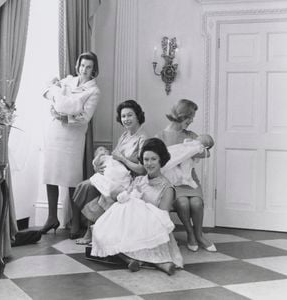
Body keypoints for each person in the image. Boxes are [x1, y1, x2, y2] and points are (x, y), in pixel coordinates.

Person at [91, 138, 183, 276]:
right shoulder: (139, 180)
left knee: (124, 239)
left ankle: (156, 262)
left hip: (153, 229)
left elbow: (162, 220)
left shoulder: (167, 188)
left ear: (161, 160)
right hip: (133, 225)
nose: (149, 163)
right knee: (100, 232)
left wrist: (139, 206)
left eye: (153, 159)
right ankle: (131, 260)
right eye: (146, 159)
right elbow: (125, 203)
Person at [71, 99, 147, 243]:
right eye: (123, 116)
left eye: (130, 115)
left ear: (138, 116)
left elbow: (142, 169)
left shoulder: (142, 138)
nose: (126, 119)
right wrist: (98, 167)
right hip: (114, 175)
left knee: (90, 187)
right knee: (85, 186)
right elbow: (113, 158)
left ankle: (91, 231)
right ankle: (91, 228)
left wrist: (123, 160)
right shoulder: (124, 136)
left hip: (129, 180)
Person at [40, 51, 100, 234]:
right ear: (78, 66)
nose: (84, 70)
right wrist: (57, 107)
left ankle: (74, 220)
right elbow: (49, 95)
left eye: (88, 67)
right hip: (55, 133)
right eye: (82, 65)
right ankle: (51, 217)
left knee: (72, 179)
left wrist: (64, 115)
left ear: (93, 70)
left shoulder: (94, 91)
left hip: (73, 137)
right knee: (51, 174)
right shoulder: (67, 81)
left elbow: (84, 117)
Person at [156, 99, 216, 252]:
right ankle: (190, 233)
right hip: (172, 180)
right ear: (181, 115)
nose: (191, 121)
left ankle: (199, 235)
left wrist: (195, 149)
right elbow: (158, 160)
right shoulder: (160, 136)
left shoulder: (191, 135)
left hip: (189, 178)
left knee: (196, 203)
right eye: (190, 117)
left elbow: (205, 152)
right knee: (182, 203)